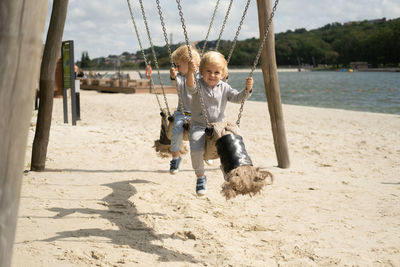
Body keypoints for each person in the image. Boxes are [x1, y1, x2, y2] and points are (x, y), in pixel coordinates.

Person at [186, 51, 253, 196]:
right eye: (208, 71)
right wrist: (191, 72)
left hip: (219, 126)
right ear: (201, 71)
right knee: (196, 149)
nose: (212, 75)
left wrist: (247, 89)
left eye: (217, 72)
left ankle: (232, 172)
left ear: (223, 74)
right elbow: (190, 87)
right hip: (199, 125)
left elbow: (237, 98)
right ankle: (200, 177)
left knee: (233, 142)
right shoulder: (198, 85)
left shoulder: (224, 87)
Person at [168, 45, 201, 174]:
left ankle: (207, 154)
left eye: (179, 65)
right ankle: (175, 157)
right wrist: (172, 76)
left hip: (198, 114)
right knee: (176, 131)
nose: (177, 67)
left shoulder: (201, 77)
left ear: (190, 64)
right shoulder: (180, 79)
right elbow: (174, 83)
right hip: (182, 113)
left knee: (202, 134)